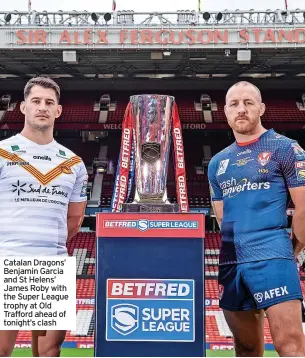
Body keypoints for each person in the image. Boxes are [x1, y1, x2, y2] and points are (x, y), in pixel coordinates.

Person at [208, 81, 305, 357]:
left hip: (273, 256)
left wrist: (292, 249)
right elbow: (221, 215)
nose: (241, 109)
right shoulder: (217, 163)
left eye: (248, 103)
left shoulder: (286, 148)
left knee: (290, 346)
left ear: (261, 108)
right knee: (247, 348)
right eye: (234, 104)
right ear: (225, 111)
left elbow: (303, 207)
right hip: (231, 262)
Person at [0, 77, 88, 357]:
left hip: (51, 263)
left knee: (48, 351)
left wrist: (45, 246)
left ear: (58, 111)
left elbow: (74, 220)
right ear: (23, 107)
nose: (43, 107)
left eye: (49, 102)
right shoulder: (2, 153)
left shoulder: (73, 162)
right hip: (7, 260)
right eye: (36, 101)